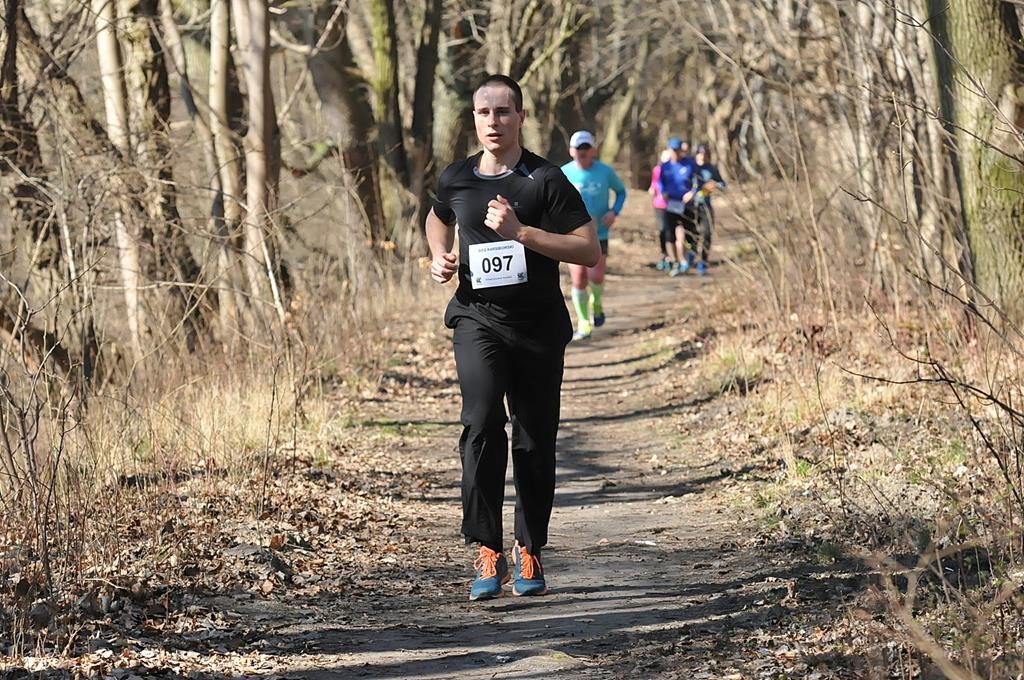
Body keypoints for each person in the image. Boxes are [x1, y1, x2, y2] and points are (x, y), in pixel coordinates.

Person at [426, 74, 599, 601]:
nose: (493, 121)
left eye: (503, 112)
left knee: (533, 436)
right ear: (473, 119)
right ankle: (486, 548)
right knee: (480, 423)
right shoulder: (457, 177)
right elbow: (437, 218)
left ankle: (529, 547)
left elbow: (588, 249)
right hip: (477, 319)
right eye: (484, 112)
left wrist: (521, 232)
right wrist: (439, 256)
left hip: (538, 325)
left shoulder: (545, 179)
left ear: (521, 117)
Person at [560, 130, 627, 340]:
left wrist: (614, 212)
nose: (582, 152)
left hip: (600, 232)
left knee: (596, 277)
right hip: (573, 233)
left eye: (586, 148)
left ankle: (596, 303)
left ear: (593, 150)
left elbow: (621, 192)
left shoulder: (605, 171)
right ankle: (583, 323)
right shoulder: (562, 173)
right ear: (571, 151)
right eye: (578, 148)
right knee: (579, 278)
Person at [657, 136, 698, 276]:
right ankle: (674, 261)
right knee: (669, 233)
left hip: (686, 205)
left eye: (677, 150)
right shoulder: (665, 167)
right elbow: (660, 182)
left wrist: (692, 192)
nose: (675, 153)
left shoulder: (690, 165)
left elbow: (697, 181)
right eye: (672, 150)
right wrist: (663, 192)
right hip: (670, 205)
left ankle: (685, 258)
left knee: (687, 234)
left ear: (681, 150)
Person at [690, 143, 726, 275]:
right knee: (692, 234)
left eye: (704, 154)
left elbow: (723, 184)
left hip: (705, 205)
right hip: (690, 206)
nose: (702, 156)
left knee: (707, 234)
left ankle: (703, 261)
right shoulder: (690, 167)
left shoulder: (711, 169)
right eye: (700, 154)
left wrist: (715, 185)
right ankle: (690, 255)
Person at [649, 149, 672, 270]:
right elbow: (654, 183)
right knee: (662, 229)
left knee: (671, 231)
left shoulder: (674, 170)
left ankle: (673, 256)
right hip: (659, 204)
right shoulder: (657, 169)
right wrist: (652, 189)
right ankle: (664, 255)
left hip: (672, 205)